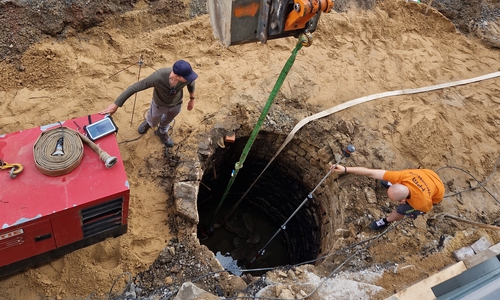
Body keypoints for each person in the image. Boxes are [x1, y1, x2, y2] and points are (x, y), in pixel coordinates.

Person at [100, 59, 198, 148]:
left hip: (176, 104)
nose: (189, 78)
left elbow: (191, 83)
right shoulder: (158, 77)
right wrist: (116, 105)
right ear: (177, 76)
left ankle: (162, 132)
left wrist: (192, 99)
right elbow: (134, 87)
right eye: (187, 77)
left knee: (168, 120)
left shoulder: (187, 79)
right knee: (154, 119)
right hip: (159, 104)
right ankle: (149, 122)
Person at [331, 164, 445, 230]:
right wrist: (346, 169)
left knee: (401, 210)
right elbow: (370, 173)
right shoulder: (402, 176)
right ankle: (391, 186)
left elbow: (428, 208)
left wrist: (407, 205)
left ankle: (386, 221)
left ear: (403, 200)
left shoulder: (421, 203)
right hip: (429, 174)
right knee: (385, 178)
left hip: (436, 192)